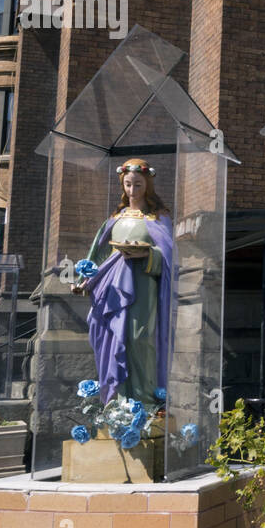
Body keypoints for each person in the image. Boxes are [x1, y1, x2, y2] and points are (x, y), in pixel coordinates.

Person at [73, 158, 175, 406]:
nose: (132, 190)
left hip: (143, 284)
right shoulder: (115, 219)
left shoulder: (158, 219)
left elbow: (171, 256)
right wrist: (84, 281)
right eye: (128, 184)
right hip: (113, 287)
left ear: (147, 185)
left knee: (140, 338)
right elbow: (98, 255)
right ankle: (118, 400)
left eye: (138, 185)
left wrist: (147, 254)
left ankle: (145, 400)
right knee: (111, 336)